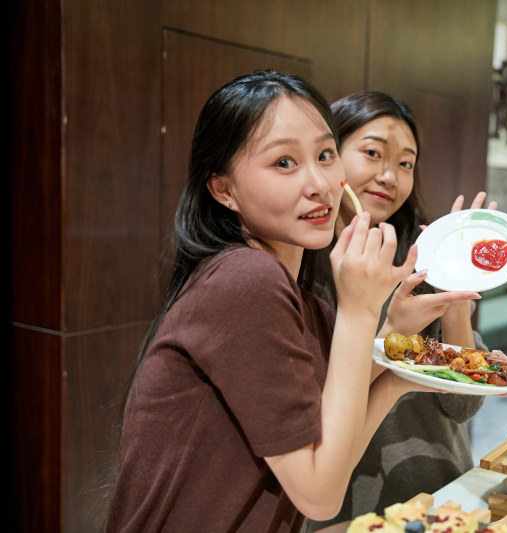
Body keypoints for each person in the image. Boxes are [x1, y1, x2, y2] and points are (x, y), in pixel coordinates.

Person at [105, 71, 439, 533]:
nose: (320, 184)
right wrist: (362, 311)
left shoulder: (302, 301)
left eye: (325, 155)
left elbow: (328, 452)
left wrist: (397, 360)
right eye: (284, 163)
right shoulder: (245, 280)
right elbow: (320, 496)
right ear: (223, 189)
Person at [304, 91, 496, 530]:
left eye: (406, 163)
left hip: (441, 495)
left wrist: (454, 300)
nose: (389, 176)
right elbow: (306, 418)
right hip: (341, 508)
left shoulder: (420, 262)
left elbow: (463, 410)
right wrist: (386, 332)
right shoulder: (295, 272)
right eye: (372, 153)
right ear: (328, 155)